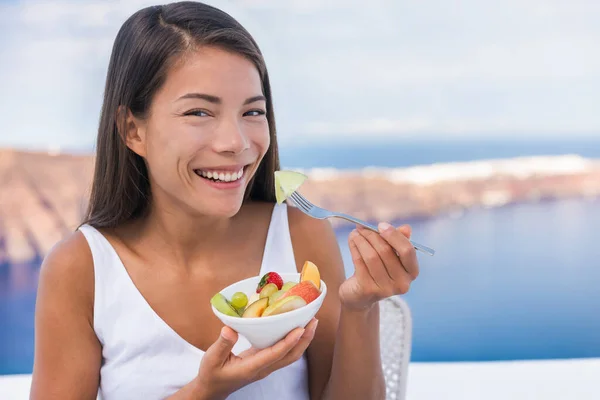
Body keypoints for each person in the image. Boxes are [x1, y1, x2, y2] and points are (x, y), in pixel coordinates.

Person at [30, 2, 420, 399]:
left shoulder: (302, 235)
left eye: (252, 111)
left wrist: (361, 307)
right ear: (133, 130)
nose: (236, 143)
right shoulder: (81, 268)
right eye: (199, 112)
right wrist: (204, 391)